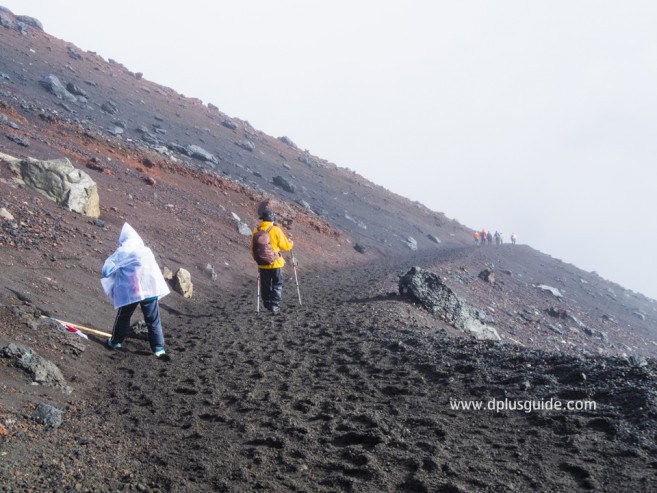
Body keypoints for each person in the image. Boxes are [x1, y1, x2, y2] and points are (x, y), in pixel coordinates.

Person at [101, 223, 170, 360]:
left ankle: (116, 341)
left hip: (131, 291)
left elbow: (106, 270)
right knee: (153, 319)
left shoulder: (125, 250)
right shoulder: (145, 250)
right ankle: (158, 349)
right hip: (151, 289)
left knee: (124, 316)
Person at [251, 207, 294, 314]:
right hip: (275, 263)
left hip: (262, 264)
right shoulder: (276, 230)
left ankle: (267, 303)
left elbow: (252, 247)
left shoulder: (256, 230)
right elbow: (287, 246)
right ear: (272, 218)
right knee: (277, 283)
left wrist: (258, 259)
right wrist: (291, 242)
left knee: (265, 285)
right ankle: (274, 305)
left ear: (263, 219)